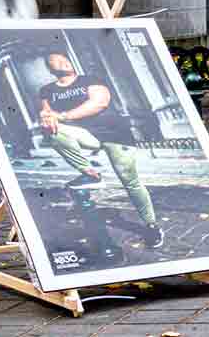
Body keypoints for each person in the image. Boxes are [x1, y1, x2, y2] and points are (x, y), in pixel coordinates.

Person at [36, 49, 163, 248]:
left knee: (130, 181)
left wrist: (62, 116)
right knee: (51, 130)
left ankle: (151, 225)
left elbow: (99, 103)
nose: (64, 62)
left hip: (115, 133)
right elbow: (46, 113)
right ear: (50, 69)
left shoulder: (91, 80)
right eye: (56, 61)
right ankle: (89, 173)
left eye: (65, 58)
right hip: (86, 135)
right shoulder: (47, 90)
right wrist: (46, 118)